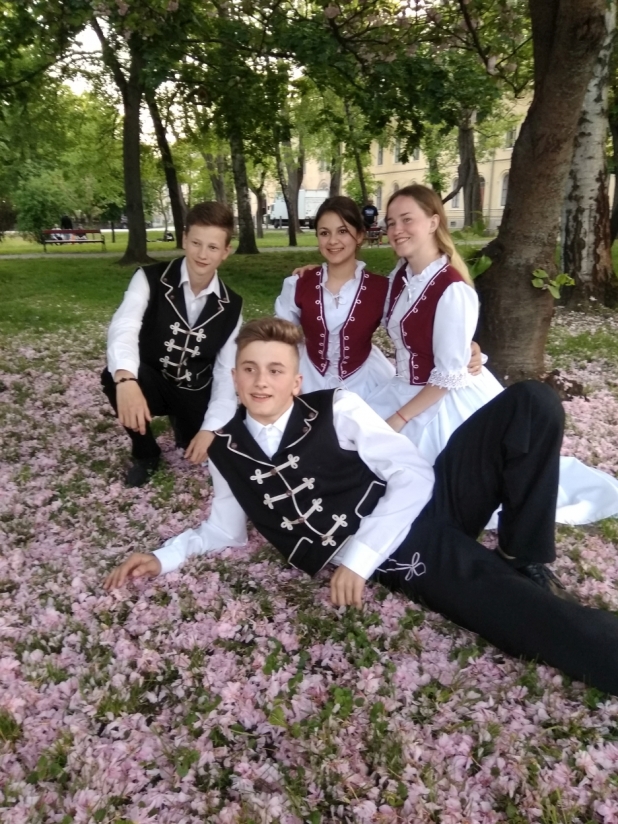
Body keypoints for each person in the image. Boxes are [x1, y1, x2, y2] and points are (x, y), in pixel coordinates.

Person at [105, 317, 618, 696]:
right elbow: (223, 530)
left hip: (423, 505)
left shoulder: (338, 407)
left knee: (531, 402)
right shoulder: (226, 452)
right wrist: (163, 556)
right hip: (407, 547)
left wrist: (357, 559)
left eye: (276, 370)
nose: (262, 381)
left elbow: (413, 474)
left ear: (295, 382)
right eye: (251, 370)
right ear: (236, 380)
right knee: (512, 607)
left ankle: (521, 552)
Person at [364, 184, 618, 524]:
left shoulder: (452, 289)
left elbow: (446, 377)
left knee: (436, 485)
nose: (397, 230)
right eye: (391, 222)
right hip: (404, 386)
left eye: (407, 219)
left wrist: (399, 418)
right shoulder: (401, 276)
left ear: (433, 222)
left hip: (442, 398)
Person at [101, 202, 243, 487]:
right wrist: (125, 379)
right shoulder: (150, 278)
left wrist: (210, 429)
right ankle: (145, 452)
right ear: (184, 239)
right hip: (152, 380)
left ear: (226, 251)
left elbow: (226, 373)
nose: (202, 254)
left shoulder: (232, 306)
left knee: (198, 444)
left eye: (213, 247)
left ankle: (184, 424)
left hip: (195, 393)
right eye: (196, 243)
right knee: (113, 376)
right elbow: (125, 325)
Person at [274, 196, 395, 399]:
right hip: (308, 377)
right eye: (324, 233)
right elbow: (278, 338)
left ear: (359, 235)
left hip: (363, 381)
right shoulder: (299, 284)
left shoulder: (382, 289)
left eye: (342, 231)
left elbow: (410, 335)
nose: (332, 241)